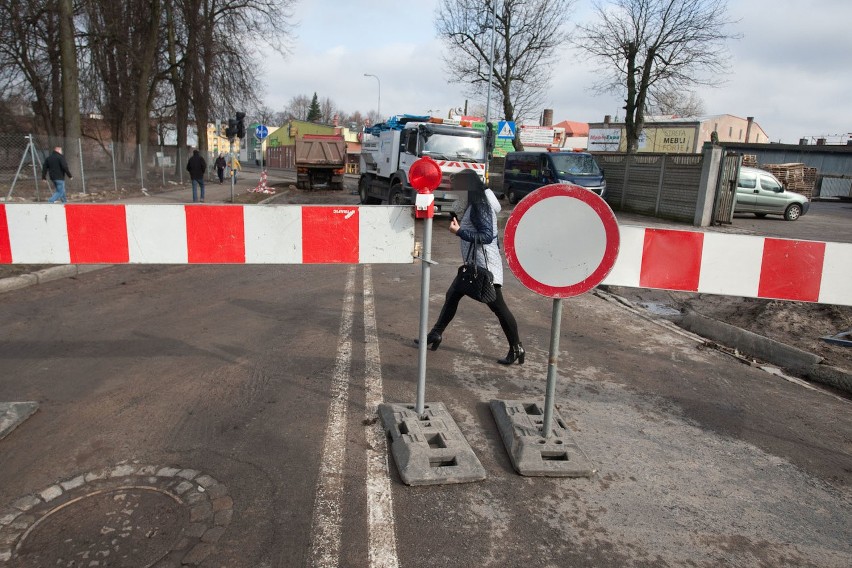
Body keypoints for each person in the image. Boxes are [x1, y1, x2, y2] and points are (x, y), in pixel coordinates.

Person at [417, 169, 524, 365]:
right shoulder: (474, 204)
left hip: (486, 267)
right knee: (452, 295)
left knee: (499, 308)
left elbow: (486, 236)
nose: (455, 191)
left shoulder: (481, 206)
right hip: (474, 265)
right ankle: (435, 333)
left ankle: (516, 347)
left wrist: (459, 232)